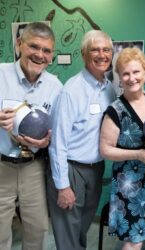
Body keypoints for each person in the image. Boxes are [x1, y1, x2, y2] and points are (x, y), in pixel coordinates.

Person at [47, 29, 116, 250]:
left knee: (82, 229)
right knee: (68, 234)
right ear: (84, 54)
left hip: (95, 169)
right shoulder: (71, 91)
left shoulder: (109, 89)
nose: (101, 54)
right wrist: (62, 186)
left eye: (106, 49)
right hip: (71, 169)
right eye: (95, 49)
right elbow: (57, 143)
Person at [0, 22, 62, 250]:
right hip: (1, 166)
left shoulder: (55, 87)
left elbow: (56, 132)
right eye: (34, 46)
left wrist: (47, 141)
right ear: (19, 45)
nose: (40, 55)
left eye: (46, 50)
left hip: (33, 168)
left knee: (37, 230)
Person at [100, 47, 145, 250]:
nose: (131, 78)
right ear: (120, 78)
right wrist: (137, 154)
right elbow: (105, 149)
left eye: (136, 72)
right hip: (130, 185)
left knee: (141, 237)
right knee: (133, 241)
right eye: (126, 74)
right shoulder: (116, 110)